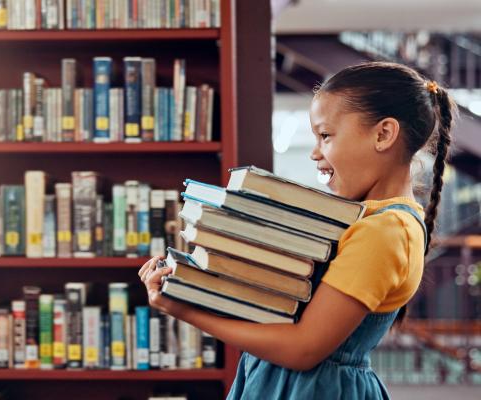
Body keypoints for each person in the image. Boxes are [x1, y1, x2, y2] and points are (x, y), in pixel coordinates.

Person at [138, 61, 456, 399]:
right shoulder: (368, 220)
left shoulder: (387, 231)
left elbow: (304, 349)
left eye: (326, 135)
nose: (316, 153)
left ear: (383, 134)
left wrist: (184, 310)